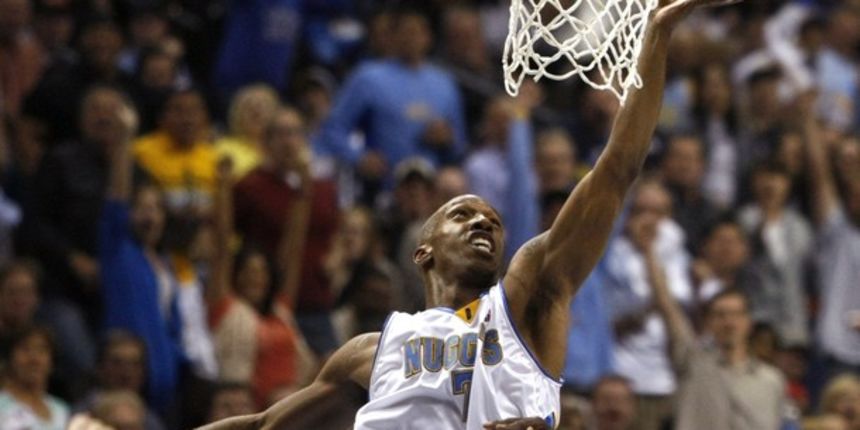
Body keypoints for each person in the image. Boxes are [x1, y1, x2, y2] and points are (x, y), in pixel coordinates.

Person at [200, 0, 740, 428]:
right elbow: (263, 423)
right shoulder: (370, 351)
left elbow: (617, 170)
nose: (484, 222)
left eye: (494, 222)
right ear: (423, 250)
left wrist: (658, 35)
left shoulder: (528, 299)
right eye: (462, 215)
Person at [0, 326, 69, 430]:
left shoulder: (61, 410)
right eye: (25, 349)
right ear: (10, 358)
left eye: (41, 350)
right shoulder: (2, 405)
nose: (34, 359)